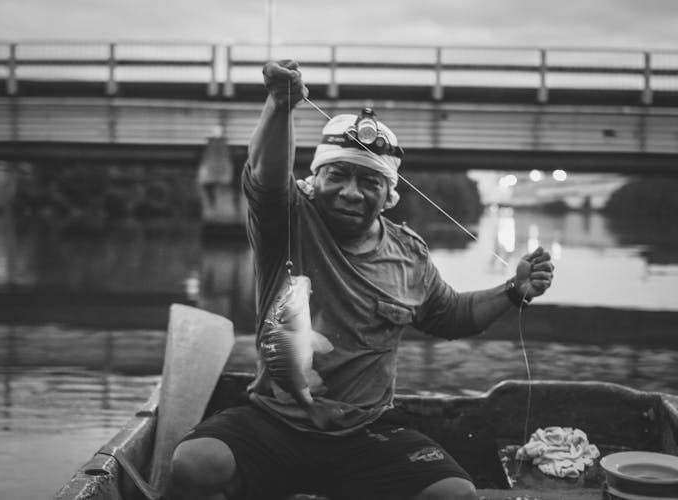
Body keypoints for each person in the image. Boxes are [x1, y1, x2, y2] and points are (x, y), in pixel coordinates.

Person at [169, 60, 554, 500]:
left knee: (454, 494)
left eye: (369, 180)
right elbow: (266, 177)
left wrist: (513, 290)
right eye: (338, 174)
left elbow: (451, 316)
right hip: (277, 417)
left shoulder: (410, 253)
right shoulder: (288, 218)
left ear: (389, 193)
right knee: (195, 466)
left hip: (366, 430)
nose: (351, 191)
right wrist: (280, 105)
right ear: (316, 177)